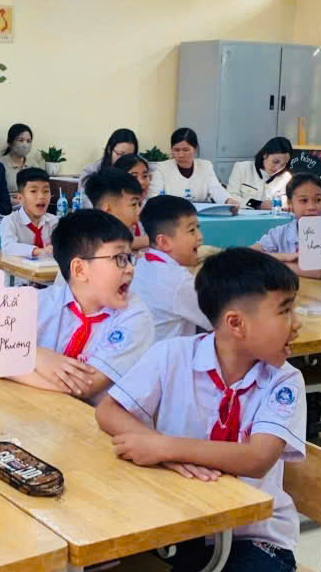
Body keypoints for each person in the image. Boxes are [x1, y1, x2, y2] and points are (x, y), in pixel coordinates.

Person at [95, 248, 305, 572]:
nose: (296, 323)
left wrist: (165, 447)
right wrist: (160, 451)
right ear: (235, 324)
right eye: (285, 311)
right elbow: (108, 411)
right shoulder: (173, 355)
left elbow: (257, 459)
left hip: (257, 540)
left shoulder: (284, 381)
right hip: (179, 526)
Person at [14, 210, 154, 404]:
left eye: (130, 258)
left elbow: (83, 386)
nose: (130, 268)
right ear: (79, 270)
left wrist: (14, 361)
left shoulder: (135, 316)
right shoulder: (42, 302)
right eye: (120, 259)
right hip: (40, 414)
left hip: (96, 429)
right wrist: (36, 355)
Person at [131, 195, 210, 340]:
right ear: (164, 242)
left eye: (197, 228)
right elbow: (216, 320)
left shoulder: (140, 264)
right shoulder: (179, 281)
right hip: (169, 359)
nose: (200, 237)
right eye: (192, 230)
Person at [252, 173, 321, 279]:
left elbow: (319, 272)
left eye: (318, 200)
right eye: (303, 200)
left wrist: (270, 263)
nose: (312, 207)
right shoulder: (280, 233)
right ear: (290, 204)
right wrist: (285, 257)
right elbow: (249, 254)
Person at [148, 127, 239, 205]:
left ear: (195, 149)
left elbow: (216, 189)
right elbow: (153, 196)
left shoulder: (206, 166)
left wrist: (228, 200)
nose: (181, 155)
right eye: (176, 150)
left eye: (186, 150)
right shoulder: (162, 168)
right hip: (172, 216)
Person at [0, 167, 57, 258]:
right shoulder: (10, 221)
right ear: (20, 198)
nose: (41, 196)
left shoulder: (54, 221)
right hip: (18, 271)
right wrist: (37, 251)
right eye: (33, 191)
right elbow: (8, 248)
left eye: (46, 191)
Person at [85, 167, 148, 251]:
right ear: (107, 210)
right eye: (133, 204)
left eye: (139, 204)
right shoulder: (97, 249)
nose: (139, 211)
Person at [227, 137, 294, 210]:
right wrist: (257, 204)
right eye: (275, 161)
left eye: (283, 164)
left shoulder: (286, 177)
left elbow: (286, 202)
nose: (277, 168)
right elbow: (231, 197)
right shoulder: (242, 168)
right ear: (265, 155)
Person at [78, 128, 139, 196]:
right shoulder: (91, 171)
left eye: (129, 156)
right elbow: (84, 201)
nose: (125, 159)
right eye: (120, 154)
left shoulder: (137, 173)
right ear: (109, 150)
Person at [0, 123, 44, 203]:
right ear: (9, 143)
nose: (25, 145)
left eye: (28, 141)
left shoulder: (34, 165)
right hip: (7, 209)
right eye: (20, 140)